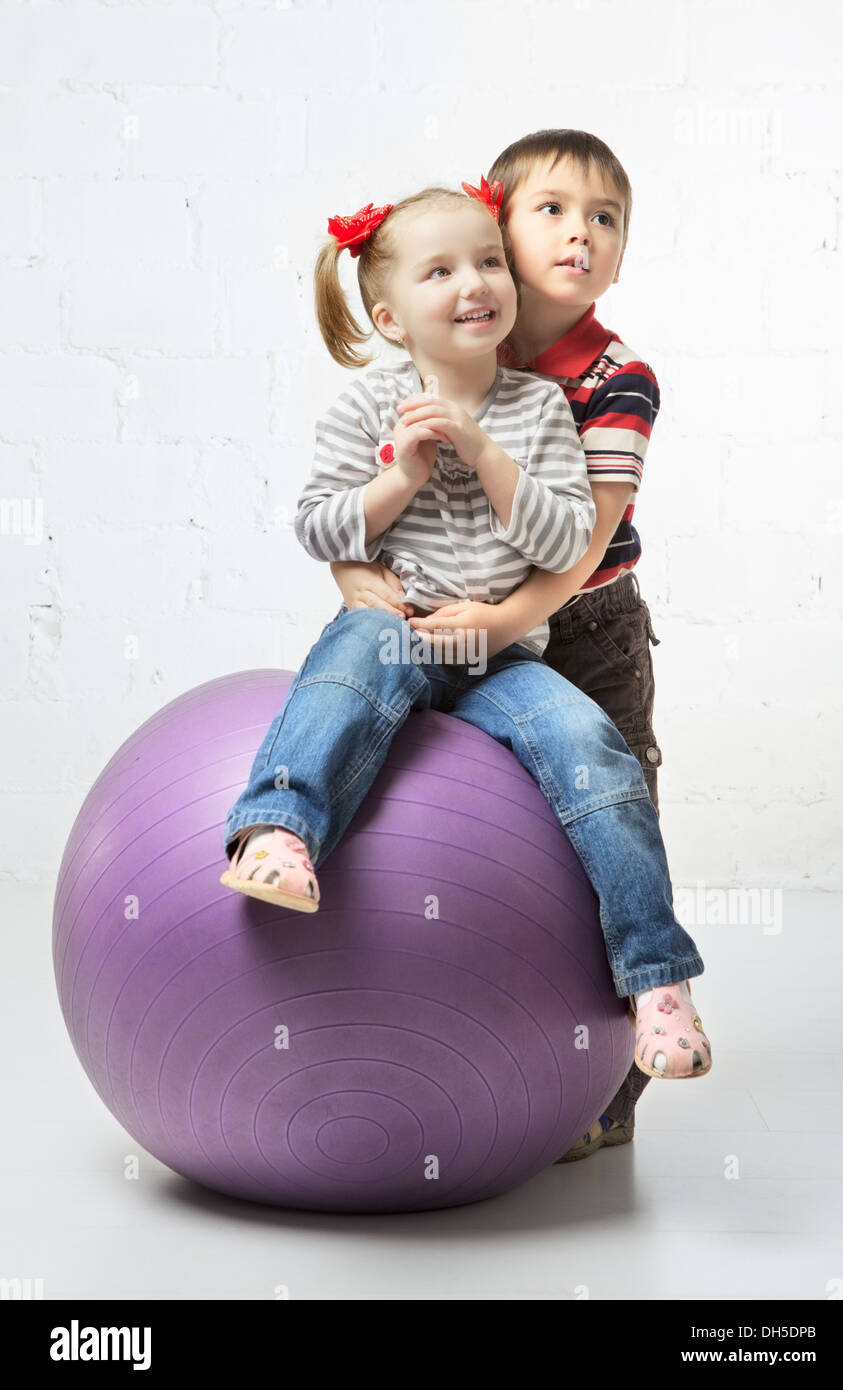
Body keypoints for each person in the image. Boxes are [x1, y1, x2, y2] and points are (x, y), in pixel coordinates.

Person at [219, 176, 712, 1130]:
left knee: (593, 750)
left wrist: (485, 452)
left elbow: (569, 540)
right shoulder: (366, 409)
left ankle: (658, 984)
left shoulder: (536, 410)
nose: (476, 281)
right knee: (348, 664)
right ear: (391, 319)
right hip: (398, 632)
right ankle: (280, 829)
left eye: (488, 260)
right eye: (441, 270)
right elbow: (319, 528)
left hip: (508, 659)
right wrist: (398, 480)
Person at [329, 131, 675, 1162]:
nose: (580, 231)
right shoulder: (462, 343)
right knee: (454, 817)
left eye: (603, 218)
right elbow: (368, 497)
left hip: (581, 626)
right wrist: (359, 585)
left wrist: (505, 621)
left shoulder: (618, 377)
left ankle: (609, 1090)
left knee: (603, 817)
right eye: (552, 211)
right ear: (497, 235)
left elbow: (584, 543)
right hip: (450, 623)